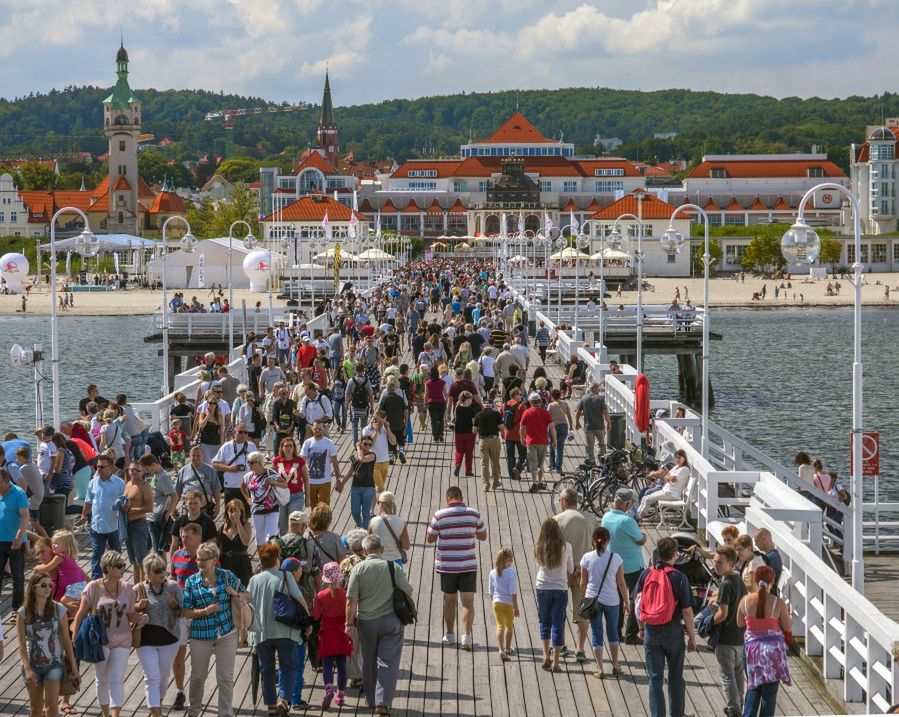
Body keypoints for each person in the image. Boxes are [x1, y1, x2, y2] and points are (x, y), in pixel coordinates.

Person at [345, 534, 413, 715]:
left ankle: (371, 698)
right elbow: (408, 590)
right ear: (381, 549)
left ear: (365, 551)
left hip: (367, 622)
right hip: (391, 621)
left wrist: (349, 623)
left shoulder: (358, 569)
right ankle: (383, 702)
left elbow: (351, 600)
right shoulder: (393, 567)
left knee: (368, 660)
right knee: (388, 661)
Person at [71, 551, 143, 717]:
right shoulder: (93, 587)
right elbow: (81, 613)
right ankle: (105, 714)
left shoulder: (127, 588)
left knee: (116, 679)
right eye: (119, 566)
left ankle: (115, 715)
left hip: (123, 640)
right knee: (102, 679)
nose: (123, 569)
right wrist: (74, 637)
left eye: (124, 565)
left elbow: (130, 613)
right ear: (108, 568)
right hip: (100, 640)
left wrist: (140, 618)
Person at [632, 536, 697, 717]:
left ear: (658, 554)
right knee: (676, 678)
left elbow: (638, 604)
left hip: (651, 631)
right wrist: (692, 637)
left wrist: (641, 628)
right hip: (673, 631)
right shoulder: (679, 578)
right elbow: (687, 612)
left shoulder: (646, 574)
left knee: (655, 679)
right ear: (674, 555)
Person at [182, 541, 248, 717]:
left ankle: (225, 713)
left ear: (214, 560)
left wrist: (234, 593)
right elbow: (186, 612)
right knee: (197, 676)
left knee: (225, 677)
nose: (200, 563)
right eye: (198, 559)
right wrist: (205, 611)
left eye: (204, 559)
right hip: (200, 634)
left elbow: (248, 595)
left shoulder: (227, 576)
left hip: (227, 632)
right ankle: (194, 711)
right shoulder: (191, 582)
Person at [247, 543, 307, 717]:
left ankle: (271, 707)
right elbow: (300, 601)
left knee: (266, 670)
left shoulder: (254, 580)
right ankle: (284, 700)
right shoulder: (286, 576)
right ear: (277, 560)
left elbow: (248, 604)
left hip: (261, 632)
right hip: (285, 630)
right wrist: (307, 623)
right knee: (288, 667)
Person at [426, 486, 486, 650]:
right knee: (467, 602)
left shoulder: (439, 515)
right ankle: (466, 637)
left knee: (449, 601)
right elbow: (483, 536)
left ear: (448, 499)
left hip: (447, 566)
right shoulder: (473, 513)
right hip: (467, 565)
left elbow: (430, 539)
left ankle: (450, 634)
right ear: (461, 497)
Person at [17, 572, 78, 717]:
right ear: (33, 588)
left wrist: (74, 667)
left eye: (50, 585)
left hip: (54, 664)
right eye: (43, 585)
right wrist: (27, 668)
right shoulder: (23, 613)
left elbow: (66, 640)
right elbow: (20, 642)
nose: (48, 588)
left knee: (51, 709)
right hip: (32, 664)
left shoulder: (59, 609)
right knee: (35, 709)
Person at [737, 565, 792, 717]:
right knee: (769, 694)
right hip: (772, 652)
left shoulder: (745, 601)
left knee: (753, 688)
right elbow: (787, 627)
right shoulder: (778, 603)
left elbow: (740, 623)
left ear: (755, 580)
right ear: (772, 582)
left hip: (752, 650)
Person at [134, 553, 183, 717]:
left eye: (163, 569)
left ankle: (158, 705)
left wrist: (175, 605)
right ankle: (155, 713)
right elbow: (128, 613)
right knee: (151, 677)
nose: (162, 573)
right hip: (145, 640)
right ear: (147, 573)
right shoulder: (139, 589)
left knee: (163, 676)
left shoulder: (174, 587)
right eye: (156, 571)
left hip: (169, 639)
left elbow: (183, 613)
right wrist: (137, 607)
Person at [553, 487, 597, 662]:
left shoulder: (557, 520)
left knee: (560, 608)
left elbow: (553, 549)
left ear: (564, 501)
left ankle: (562, 645)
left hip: (563, 572)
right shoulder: (591, 519)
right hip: (584, 572)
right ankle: (580, 649)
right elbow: (597, 545)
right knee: (582, 611)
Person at [579, 526, 628, 678]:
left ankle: (600, 669)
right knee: (613, 632)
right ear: (608, 541)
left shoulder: (587, 558)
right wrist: (626, 601)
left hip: (593, 600)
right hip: (612, 600)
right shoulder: (616, 558)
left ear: (593, 541)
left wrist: (582, 599)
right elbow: (621, 583)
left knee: (596, 632)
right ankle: (615, 664)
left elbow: (583, 582)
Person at [601, 487, 646, 645]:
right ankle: (631, 634)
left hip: (615, 565)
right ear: (627, 504)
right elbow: (641, 540)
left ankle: (616, 632)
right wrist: (645, 536)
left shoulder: (606, 517)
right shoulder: (627, 521)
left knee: (617, 600)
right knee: (636, 599)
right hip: (633, 566)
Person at [708, 545, 746, 717]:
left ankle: (733, 709)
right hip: (739, 635)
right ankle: (740, 703)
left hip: (725, 637)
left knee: (727, 675)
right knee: (738, 673)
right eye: (715, 562)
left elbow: (723, 614)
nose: (716, 565)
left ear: (730, 563)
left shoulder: (726, 584)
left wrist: (708, 623)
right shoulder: (739, 581)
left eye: (719, 563)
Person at [534, 517, 573, 672]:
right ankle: (556, 662)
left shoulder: (539, 547)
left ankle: (545, 656)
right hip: (560, 588)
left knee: (544, 621)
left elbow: (540, 564)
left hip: (542, 587)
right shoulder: (566, 547)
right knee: (558, 623)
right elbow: (570, 568)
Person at [313, 562, 355, 709]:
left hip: (328, 633)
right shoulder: (345, 595)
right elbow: (351, 612)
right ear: (339, 578)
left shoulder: (320, 595)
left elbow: (316, 615)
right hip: (341, 632)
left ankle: (329, 688)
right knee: (342, 665)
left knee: (327, 665)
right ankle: (340, 696)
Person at [79, 455, 126, 580]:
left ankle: (116, 579)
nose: (98, 469)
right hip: (97, 526)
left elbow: (125, 502)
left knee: (116, 555)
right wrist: (84, 514)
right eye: (97, 466)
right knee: (97, 555)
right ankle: (96, 581)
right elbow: (88, 501)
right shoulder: (93, 483)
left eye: (101, 467)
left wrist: (122, 511)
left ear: (110, 467)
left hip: (114, 526)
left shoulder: (120, 484)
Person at [241, 450, 287, 546]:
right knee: (260, 540)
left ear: (259, 463)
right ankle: (263, 560)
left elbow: (285, 484)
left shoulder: (271, 473)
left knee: (271, 538)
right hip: (256, 510)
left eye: (251, 462)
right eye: (248, 462)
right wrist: (247, 498)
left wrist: (274, 482)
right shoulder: (249, 476)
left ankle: (273, 559)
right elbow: (242, 486)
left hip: (272, 509)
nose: (249, 465)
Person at [0, 466, 29, 610]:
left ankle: (17, 608)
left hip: (15, 541)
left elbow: (25, 516)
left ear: (6, 481)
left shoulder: (18, 493)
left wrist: (18, 537)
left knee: (17, 576)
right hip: (0, 539)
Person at [636, 449, 691, 520]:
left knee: (647, 499)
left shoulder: (685, 469)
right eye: (676, 457)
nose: (677, 459)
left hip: (672, 494)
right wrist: (669, 478)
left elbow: (673, 480)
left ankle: (639, 519)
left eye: (679, 457)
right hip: (666, 491)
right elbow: (666, 475)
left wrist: (669, 478)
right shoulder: (676, 467)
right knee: (644, 498)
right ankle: (636, 516)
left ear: (684, 458)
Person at [212, 422, 257, 510]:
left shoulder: (251, 446)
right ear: (234, 433)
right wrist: (229, 468)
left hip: (247, 486)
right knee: (230, 515)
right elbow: (214, 464)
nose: (243, 434)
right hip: (231, 486)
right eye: (240, 432)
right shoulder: (226, 446)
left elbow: (258, 464)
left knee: (246, 516)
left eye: (245, 432)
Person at [519, 392, 557, 493]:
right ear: (540, 401)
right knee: (541, 464)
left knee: (533, 463)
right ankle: (540, 482)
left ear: (530, 402)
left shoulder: (526, 412)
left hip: (531, 442)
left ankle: (535, 483)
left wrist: (522, 439)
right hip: (543, 442)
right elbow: (552, 427)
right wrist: (554, 440)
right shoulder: (545, 412)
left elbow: (522, 428)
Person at [336, 437, 377, 529]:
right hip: (356, 487)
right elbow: (350, 471)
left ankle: (364, 532)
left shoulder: (372, 455)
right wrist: (342, 484)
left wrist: (358, 447)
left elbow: (362, 459)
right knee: (355, 512)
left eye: (370, 444)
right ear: (361, 443)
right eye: (365, 444)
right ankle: (360, 526)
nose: (367, 446)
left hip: (368, 487)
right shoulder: (354, 456)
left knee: (366, 513)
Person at [488, 547, 519, 662]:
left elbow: (490, 591)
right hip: (508, 604)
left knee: (499, 625)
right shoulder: (511, 573)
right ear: (505, 561)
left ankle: (500, 649)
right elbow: (513, 591)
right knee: (509, 626)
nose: (511, 562)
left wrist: (494, 600)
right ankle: (507, 648)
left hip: (496, 603)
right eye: (510, 560)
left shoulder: (492, 572)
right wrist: (516, 607)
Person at [271, 435, 307, 534]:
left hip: (297, 495)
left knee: (293, 519)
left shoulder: (300, 460)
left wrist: (307, 498)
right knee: (282, 523)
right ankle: (283, 543)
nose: (288, 448)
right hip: (281, 496)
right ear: (282, 448)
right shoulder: (276, 460)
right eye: (286, 446)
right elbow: (270, 478)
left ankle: (294, 541)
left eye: (291, 446)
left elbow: (306, 480)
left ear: (294, 448)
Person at [300, 419, 340, 507]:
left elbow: (335, 463)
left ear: (324, 429)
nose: (317, 430)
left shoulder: (329, 443)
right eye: (315, 428)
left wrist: (338, 480)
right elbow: (302, 462)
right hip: (310, 481)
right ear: (312, 429)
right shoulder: (307, 443)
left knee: (324, 507)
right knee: (313, 507)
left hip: (325, 480)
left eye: (320, 429)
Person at [175, 446, 220, 518]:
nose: (196, 458)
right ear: (189, 457)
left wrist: (218, 505)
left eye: (198, 456)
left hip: (205, 509)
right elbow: (177, 491)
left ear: (203, 457)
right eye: (193, 455)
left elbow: (216, 489)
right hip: (187, 509)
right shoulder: (183, 471)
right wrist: (173, 507)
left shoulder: (211, 470)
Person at [218, 499, 253, 589]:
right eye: (231, 511)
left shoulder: (246, 525)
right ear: (227, 512)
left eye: (236, 511)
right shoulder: (222, 528)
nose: (234, 514)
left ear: (241, 512)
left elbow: (245, 541)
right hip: (226, 563)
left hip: (242, 563)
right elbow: (219, 549)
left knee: (243, 590)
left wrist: (238, 523)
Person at [368, 491, 410, 566]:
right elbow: (406, 546)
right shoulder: (401, 522)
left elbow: (368, 545)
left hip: (378, 561)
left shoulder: (373, 521)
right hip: (396, 561)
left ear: (381, 504)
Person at [169, 491, 217, 555]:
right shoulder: (179, 521)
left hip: (202, 557)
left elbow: (212, 544)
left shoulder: (208, 522)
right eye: (190, 503)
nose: (193, 506)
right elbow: (174, 545)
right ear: (185, 503)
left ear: (201, 503)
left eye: (196, 503)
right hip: (183, 556)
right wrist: (172, 563)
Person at [473, 391, 503, 490]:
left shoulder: (478, 415)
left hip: (483, 440)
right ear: (491, 405)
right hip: (494, 439)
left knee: (484, 463)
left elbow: (474, 430)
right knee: (495, 462)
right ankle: (495, 482)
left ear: (484, 405)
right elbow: (502, 427)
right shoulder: (496, 414)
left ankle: (486, 485)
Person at [575, 383, 611, 464]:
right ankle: (601, 460)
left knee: (589, 446)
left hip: (588, 427)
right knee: (601, 444)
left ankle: (591, 461)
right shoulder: (600, 399)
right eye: (598, 389)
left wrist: (577, 422)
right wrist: (609, 423)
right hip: (600, 426)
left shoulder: (584, 398)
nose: (599, 391)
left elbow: (578, 412)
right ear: (594, 389)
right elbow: (605, 412)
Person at [502, 387, 527, 481]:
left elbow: (502, 417)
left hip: (508, 433)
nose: (521, 396)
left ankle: (512, 475)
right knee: (523, 453)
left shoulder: (504, 405)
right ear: (515, 395)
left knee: (510, 455)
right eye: (520, 394)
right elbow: (525, 421)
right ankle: (517, 467)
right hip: (518, 434)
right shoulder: (521, 406)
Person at [452, 391, 478, 478]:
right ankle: (468, 471)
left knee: (459, 451)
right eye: (470, 399)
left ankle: (458, 464)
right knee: (469, 453)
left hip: (459, 433)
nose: (471, 401)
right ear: (467, 400)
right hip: (470, 433)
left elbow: (455, 416)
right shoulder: (471, 410)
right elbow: (474, 422)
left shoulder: (457, 408)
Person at [547, 389, 573, 474]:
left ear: (552, 396)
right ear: (560, 396)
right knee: (560, 448)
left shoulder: (550, 405)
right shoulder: (565, 404)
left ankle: (551, 466)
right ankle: (559, 467)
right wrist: (571, 426)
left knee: (552, 446)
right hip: (563, 426)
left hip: (553, 427)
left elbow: (548, 418)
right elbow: (569, 416)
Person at [752, 528, 783, 595]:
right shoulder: (774, 555)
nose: (755, 544)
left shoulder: (770, 558)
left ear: (764, 539)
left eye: (756, 541)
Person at [425, 365, 448, 442]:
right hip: (441, 402)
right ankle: (441, 435)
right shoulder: (442, 382)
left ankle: (435, 436)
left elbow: (426, 395)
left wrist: (425, 404)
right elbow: (445, 393)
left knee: (433, 420)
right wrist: (446, 402)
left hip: (431, 403)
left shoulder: (428, 383)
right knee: (440, 419)